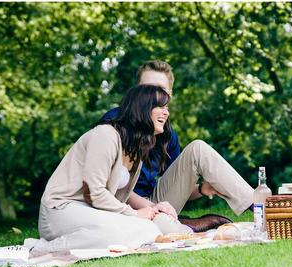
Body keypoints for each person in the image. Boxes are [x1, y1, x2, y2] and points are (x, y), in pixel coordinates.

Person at [101, 60, 254, 231]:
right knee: (167, 228)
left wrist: (202, 189)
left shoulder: (165, 132)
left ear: (169, 95)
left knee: (198, 148)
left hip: (154, 201)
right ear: (137, 90)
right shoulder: (115, 121)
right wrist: (152, 209)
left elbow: (178, 187)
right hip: (119, 204)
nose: (154, 95)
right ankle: (188, 224)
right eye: (147, 88)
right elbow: (108, 187)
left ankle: (261, 207)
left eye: (160, 90)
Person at [36, 84, 190, 252]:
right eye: (160, 106)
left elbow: (124, 193)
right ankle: (44, 248)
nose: (166, 112)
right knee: (113, 234)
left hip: (94, 212)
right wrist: (133, 214)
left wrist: (153, 207)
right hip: (61, 209)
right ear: (142, 108)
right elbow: (94, 193)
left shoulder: (135, 149)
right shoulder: (105, 135)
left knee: (150, 230)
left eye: (166, 107)